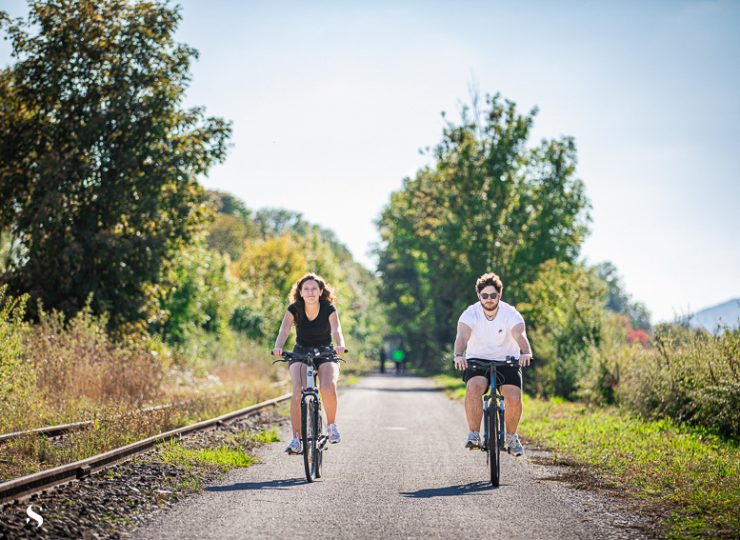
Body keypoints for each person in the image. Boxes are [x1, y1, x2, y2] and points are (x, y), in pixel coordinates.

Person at [452, 272, 533, 457]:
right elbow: (462, 336)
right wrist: (458, 354)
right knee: (474, 387)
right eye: (485, 296)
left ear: (500, 295)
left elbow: (519, 334)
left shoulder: (510, 313)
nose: (489, 299)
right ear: (479, 296)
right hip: (477, 361)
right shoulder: (470, 313)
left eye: (493, 295)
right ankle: (474, 434)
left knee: (513, 396)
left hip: (507, 360)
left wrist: (526, 352)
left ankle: (511, 437)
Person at [272, 273, 347, 454]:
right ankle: (296, 440)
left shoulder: (329, 308)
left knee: (328, 387)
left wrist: (340, 345)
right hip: (301, 352)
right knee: (298, 390)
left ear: (321, 291)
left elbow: (336, 329)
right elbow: (284, 330)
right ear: (301, 292)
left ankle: (331, 426)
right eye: (306, 289)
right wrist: (278, 347)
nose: (310, 292)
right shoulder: (294, 309)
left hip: (326, 352)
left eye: (314, 288)